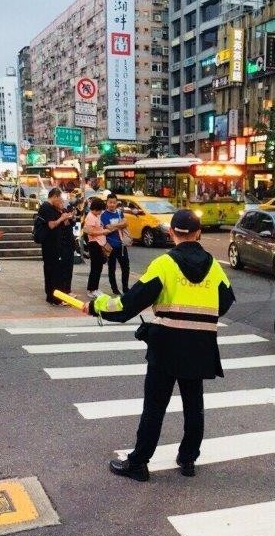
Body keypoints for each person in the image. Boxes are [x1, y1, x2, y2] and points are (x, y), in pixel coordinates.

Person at [84, 208, 236, 482]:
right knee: (194, 406)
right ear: (199, 232)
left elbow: (127, 305)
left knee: (155, 406)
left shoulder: (164, 264)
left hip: (166, 345)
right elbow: (224, 302)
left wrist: (96, 306)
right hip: (200, 346)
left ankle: (139, 463)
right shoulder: (214, 267)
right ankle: (188, 459)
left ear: (172, 232)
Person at [36, 187, 75, 305]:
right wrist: (62, 218)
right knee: (53, 272)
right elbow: (51, 225)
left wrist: (66, 217)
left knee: (54, 271)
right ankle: (55, 299)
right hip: (50, 245)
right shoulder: (46, 208)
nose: (61, 202)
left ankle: (53, 297)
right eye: (60, 200)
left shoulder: (51, 207)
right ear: (55, 196)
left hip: (54, 244)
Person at [83, 197, 113, 297]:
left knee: (98, 267)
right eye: (100, 210)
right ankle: (92, 289)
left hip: (99, 243)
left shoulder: (95, 216)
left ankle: (94, 288)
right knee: (95, 268)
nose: (101, 212)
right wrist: (103, 232)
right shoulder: (90, 217)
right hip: (94, 244)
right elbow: (90, 232)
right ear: (96, 209)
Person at [100, 193, 130, 296]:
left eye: (114, 202)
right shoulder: (103, 215)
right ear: (107, 203)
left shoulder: (119, 212)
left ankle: (125, 288)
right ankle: (114, 289)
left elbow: (125, 223)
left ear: (117, 203)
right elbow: (107, 227)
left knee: (126, 267)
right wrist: (119, 225)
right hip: (110, 246)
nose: (112, 204)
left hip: (121, 245)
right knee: (111, 268)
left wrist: (114, 226)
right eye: (110, 202)